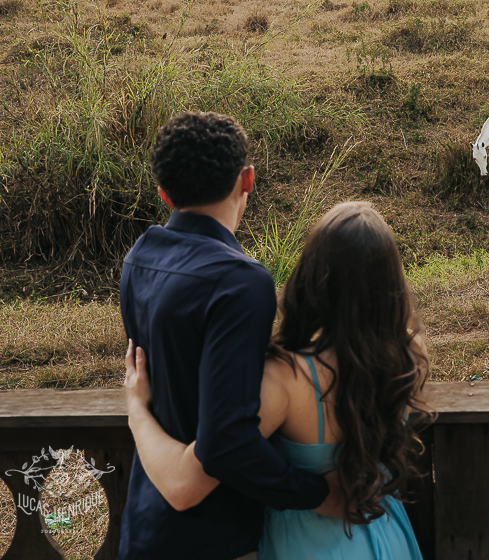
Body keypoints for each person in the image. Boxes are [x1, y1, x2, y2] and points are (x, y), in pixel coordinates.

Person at [124, 200, 432, 560]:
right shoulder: (413, 354)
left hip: (306, 544)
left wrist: (137, 408)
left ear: (314, 276)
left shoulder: (287, 377)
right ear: (391, 281)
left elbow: (186, 481)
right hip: (385, 534)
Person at [119, 111, 334, 560]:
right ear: (248, 180)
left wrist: (137, 409)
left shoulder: (139, 257)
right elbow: (225, 442)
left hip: (143, 519)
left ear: (163, 192)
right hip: (213, 537)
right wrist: (318, 493)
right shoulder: (241, 281)